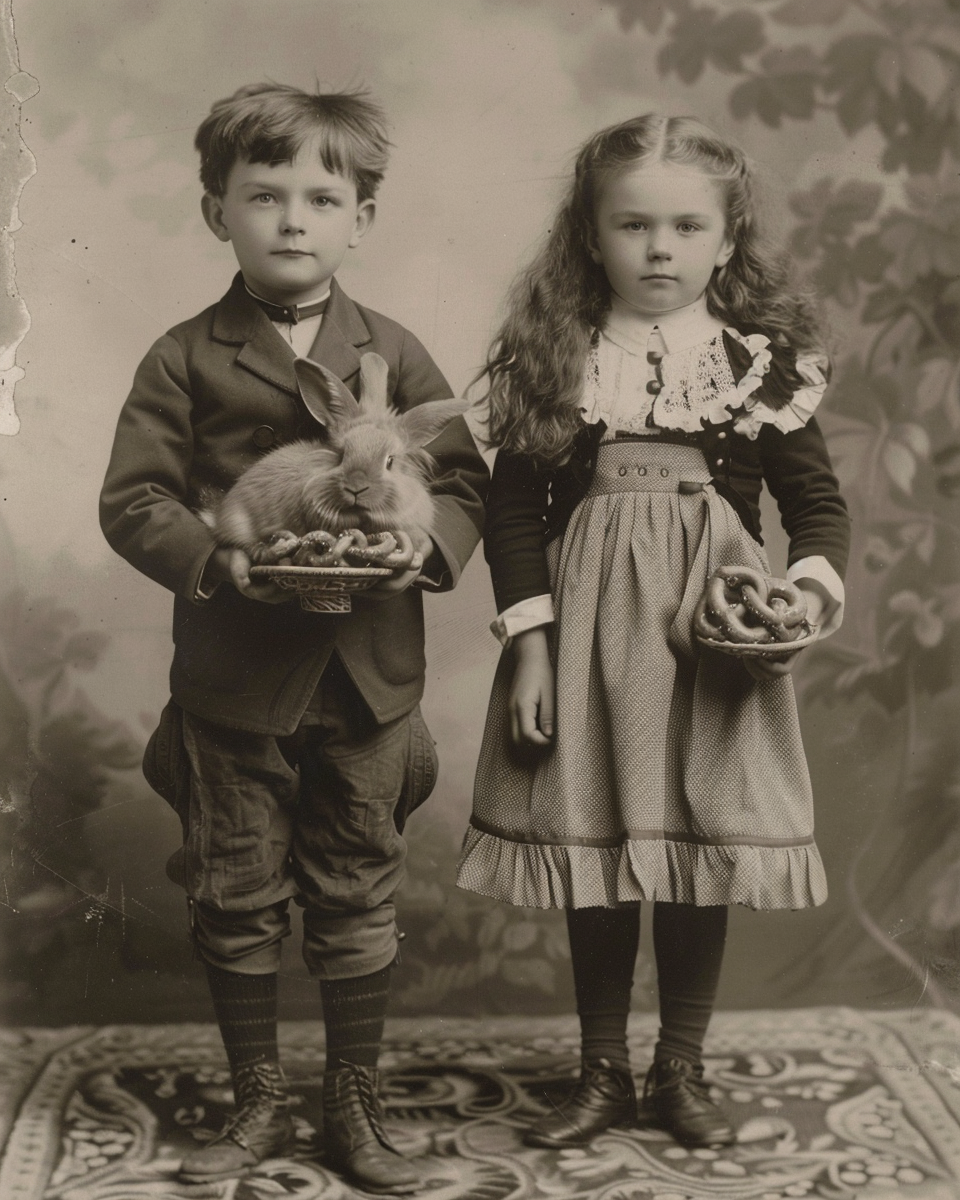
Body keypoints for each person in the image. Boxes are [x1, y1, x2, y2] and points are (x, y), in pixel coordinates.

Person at [100, 82, 487, 1193]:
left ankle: (352, 1106)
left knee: (360, 881)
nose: (293, 219)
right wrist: (213, 556)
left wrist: (428, 549)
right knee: (233, 885)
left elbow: (458, 477)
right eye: (263, 195)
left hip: (369, 677)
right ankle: (258, 1099)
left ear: (361, 216)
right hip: (236, 678)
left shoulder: (395, 352)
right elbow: (135, 500)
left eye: (323, 197)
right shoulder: (184, 355)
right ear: (216, 210)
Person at [456, 114, 850, 1151]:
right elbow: (513, 514)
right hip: (588, 629)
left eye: (686, 226)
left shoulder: (758, 364)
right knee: (600, 845)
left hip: (708, 632)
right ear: (591, 236)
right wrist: (532, 645)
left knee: (694, 842)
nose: (661, 249)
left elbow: (817, 511)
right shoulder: (558, 357)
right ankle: (600, 1071)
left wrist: (801, 599)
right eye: (634, 225)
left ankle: (681, 1065)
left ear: (729, 239)